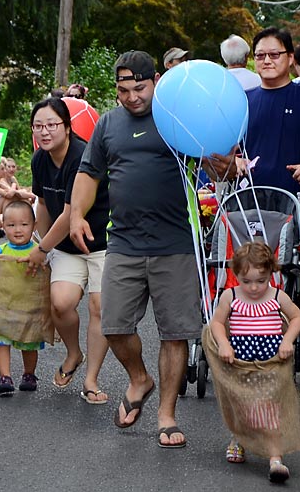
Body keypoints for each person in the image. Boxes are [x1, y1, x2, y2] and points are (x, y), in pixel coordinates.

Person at [70, 50, 200, 449]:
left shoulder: (176, 118)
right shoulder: (108, 123)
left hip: (174, 242)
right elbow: (90, 173)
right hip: (124, 242)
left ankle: (166, 414)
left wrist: (224, 159)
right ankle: (139, 378)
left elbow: (212, 158)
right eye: (123, 90)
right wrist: (76, 213)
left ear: (156, 80)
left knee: (174, 333)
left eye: (139, 88)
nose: (131, 97)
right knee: (113, 324)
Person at [207, 27, 300, 370]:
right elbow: (228, 151)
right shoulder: (244, 102)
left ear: (290, 58)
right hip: (249, 204)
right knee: (248, 274)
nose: (267, 61)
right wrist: (234, 163)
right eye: (260, 55)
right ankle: (244, 334)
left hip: (295, 203)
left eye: (274, 54)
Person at [27, 97, 111, 404]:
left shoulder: (82, 156)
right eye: (38, 126)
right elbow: (43, 205)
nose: (45, 132)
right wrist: (41, 244)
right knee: (60, 304)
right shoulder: (40, 160)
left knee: (99, 307)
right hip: (66, 248)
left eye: (52, 125)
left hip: (101, 243)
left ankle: (91, 380)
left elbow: (68, 213)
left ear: (67, 126)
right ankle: (74, 353)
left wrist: (41, 248)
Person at [208, 242, 300, 483]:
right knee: (243, 405)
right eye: (246, 281)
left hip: (270, 364)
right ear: (236, 276)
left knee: (270, 410)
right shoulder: (230, 296)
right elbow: (217, 323)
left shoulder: (276, 296)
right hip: (241, 363)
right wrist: (224, 343)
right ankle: (240, 438)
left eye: (261, 281)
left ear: (271, 274)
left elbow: (297, 317)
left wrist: (288, 341)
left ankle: (275, 459)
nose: (253, 287)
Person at [0, 200, 43, 396]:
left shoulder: (38, 251)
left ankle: (29, 374)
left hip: (30, 308)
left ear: (34, 226)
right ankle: (5, 376)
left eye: (24, 225)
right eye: (11, 225)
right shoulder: (0, 252)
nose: (17, 230)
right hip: (4, 307)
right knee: (1, 341)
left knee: (29, 343)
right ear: (3, 227)